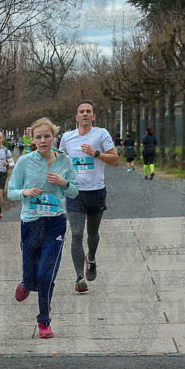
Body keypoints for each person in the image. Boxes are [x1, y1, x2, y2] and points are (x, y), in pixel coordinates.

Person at [7, 117, 79, 338]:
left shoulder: (65, 161)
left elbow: (74, 191)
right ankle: (26, 283)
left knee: (47, 274)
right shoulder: (25, 162)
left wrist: (63, 183)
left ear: (54, 137)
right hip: (31, 222)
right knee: (31, 274)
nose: (43, 140)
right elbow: (11, 191)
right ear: (33, 139)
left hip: (55, 223)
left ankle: (44, 321)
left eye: (47, 136)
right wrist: (25, 193)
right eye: (38, 137)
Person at [56, 101, 119, 293]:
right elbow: (59, 160)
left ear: (93, 116)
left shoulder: (101, 134)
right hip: (75, 192)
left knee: (92, 234)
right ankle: (79, 277)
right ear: (76, 117)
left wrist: (96, 153)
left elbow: (115, 160)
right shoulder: (67, 137)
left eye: (88, 111)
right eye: (81, 112)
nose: (85, 114)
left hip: (96, 191)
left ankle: (91, 258)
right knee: (76, 234)